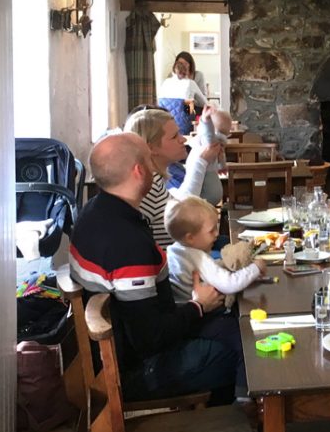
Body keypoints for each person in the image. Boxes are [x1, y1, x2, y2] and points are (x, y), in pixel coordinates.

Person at [68, 132, 237, 405]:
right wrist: (198, 306)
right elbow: (151, 338)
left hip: (124, 349)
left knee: (233, 327)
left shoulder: (95, 211)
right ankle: (228, 428)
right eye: (149, 160)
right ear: (138, 171)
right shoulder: (127, 242)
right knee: (245, 352)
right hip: (139, 369)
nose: (155, 168)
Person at [124, 107, 221, 250]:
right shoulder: (148, 186)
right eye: (174, 136)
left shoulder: (154, 179)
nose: (182, 139)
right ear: (151, 148)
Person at [166, 196, 266, 303]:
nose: (217, 234)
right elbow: (229, 284)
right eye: (211, 230)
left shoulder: (174, 250)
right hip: (204, 313)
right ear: (190, 238)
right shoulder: (198, 258)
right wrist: (255, 268)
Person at [158, 55, 208, 135]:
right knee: (191, 105)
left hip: (165, 125)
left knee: (188, 103)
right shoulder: (190, 83)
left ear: (173, 70)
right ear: (187, 71)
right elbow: (205, 103)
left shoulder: (165, 82)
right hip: (185, 126)